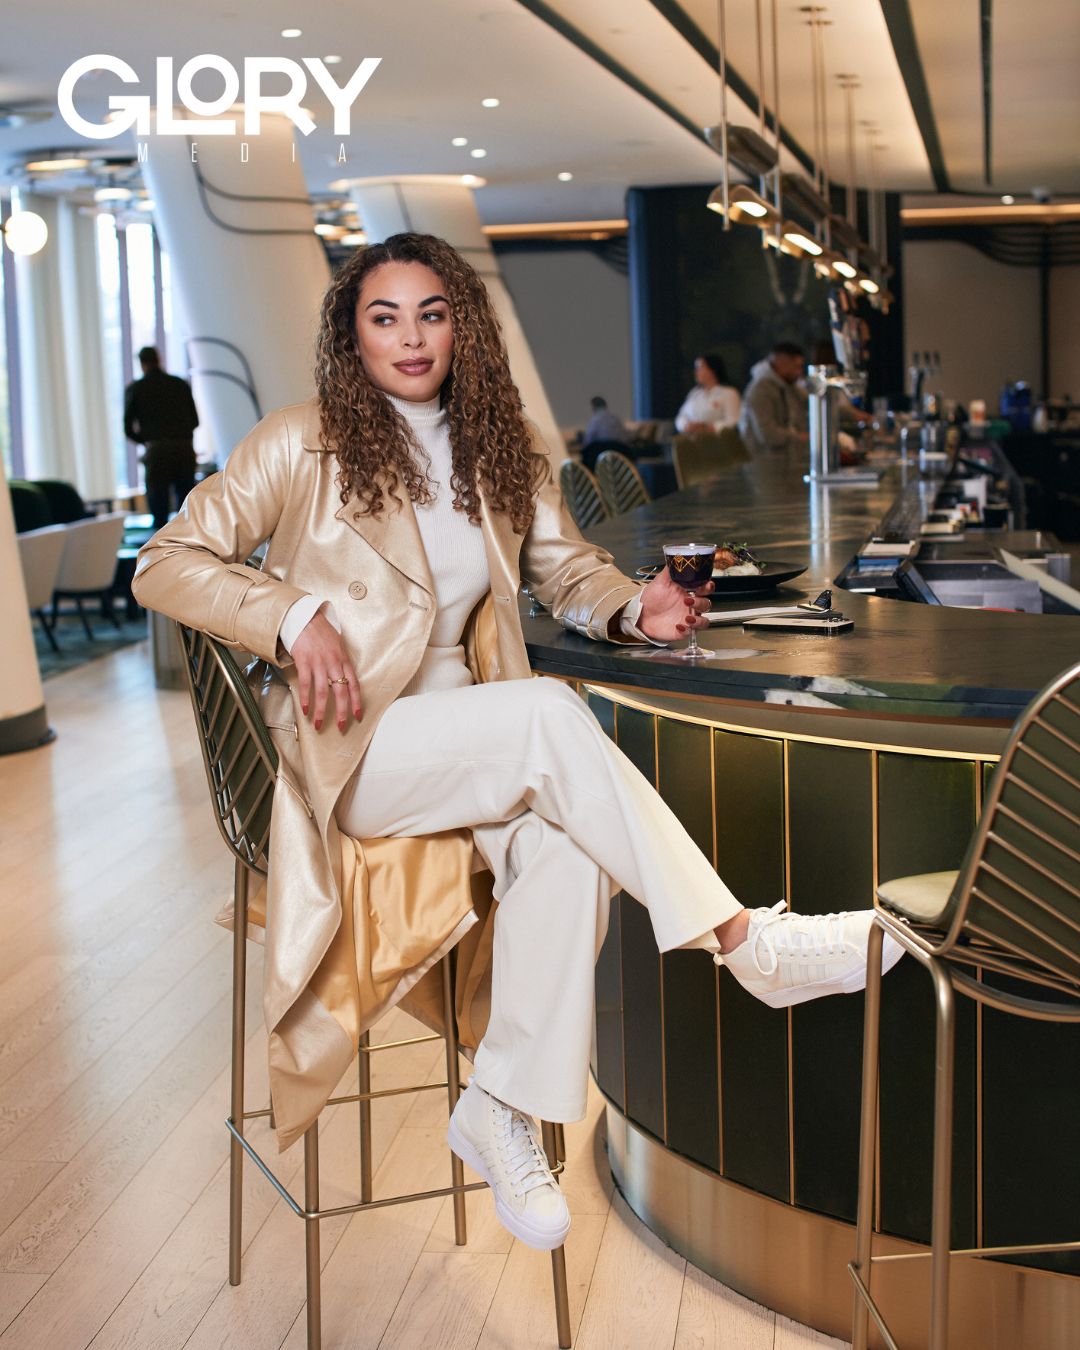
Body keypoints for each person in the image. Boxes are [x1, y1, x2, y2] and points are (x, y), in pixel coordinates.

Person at [132, 233, 902, 1254]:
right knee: (547, 714)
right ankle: (744, 943)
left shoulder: (502, 443)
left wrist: (638, 609)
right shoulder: (296, 442)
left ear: (463, 325)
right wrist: (287, 614)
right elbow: (167, 562)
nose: (411, 337)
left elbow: (567, 573)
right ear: (349, 333)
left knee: (569, 849)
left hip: (476, 731)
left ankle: (499, 1104)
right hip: (355, 745)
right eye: (384, 316)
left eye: (432, 313)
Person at [123, 346, 200, 529]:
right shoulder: (179, 384)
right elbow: (195, 421)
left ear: (141, 363)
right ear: (159, 359)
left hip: (157, 452)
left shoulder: (136, 388)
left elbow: (128, 428)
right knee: (187, 512)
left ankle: (161, 554)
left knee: (159, 514)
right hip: (184, 449)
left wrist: (148, 441)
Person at [739, 341, 810, 455]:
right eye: (796, 367)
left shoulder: (789, 387)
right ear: (782, 363)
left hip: (785, 459)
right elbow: (768, 436)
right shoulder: (760, 390)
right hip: (763, 463)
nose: (799, 372)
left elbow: (812, 403)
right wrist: (806, 437)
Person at [674, 353, 741, 434]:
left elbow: (734, 420)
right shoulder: (694, 393)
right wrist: (686, 425)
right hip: (692, 441)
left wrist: (711, 427)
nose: (696, 372)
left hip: (716, 442)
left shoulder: (729, 393)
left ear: (712, 370)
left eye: (700, 368)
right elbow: (681, 416)